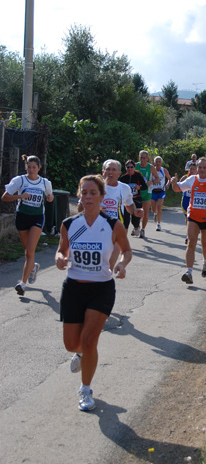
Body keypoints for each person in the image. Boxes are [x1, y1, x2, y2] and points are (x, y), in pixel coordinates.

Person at [56, 174, 132, 412]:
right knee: (72, 344)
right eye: (84, 192)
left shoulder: (112, 225)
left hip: (101, 288)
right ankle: (80, 353)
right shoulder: (69, 224)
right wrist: (60, 258)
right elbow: (61, 250)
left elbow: (127, 251)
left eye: (93, 193)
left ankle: (86, 390)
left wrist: (121, 264)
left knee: (90, 341)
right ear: (79, 195)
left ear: (101, 196)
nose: (88, 197)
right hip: (74, 288)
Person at [1, 154, 54, 296]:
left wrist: (49, 198)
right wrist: (20, 196)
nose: (31, 170)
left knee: (30, 251)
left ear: (39, 168)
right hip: (22, 218)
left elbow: (50, 197)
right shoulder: (20, 180)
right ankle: (33, 266)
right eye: (29, 167)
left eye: (34, 167)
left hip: (37, 217)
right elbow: (5, 197)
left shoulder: (44, 182)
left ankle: (22, 284)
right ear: (26, 167)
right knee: (27, 252)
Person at [79, 159, 143, 268]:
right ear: (103, 172)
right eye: (108, 169)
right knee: (93, 266)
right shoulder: (92, 187)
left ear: (119, 173)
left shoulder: (124, 188)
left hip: (116, 230)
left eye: (114, 170)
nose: (110, 172)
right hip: (94, 229)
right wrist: (95, 209)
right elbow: (80, 208)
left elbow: (129, 205)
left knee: (109, 266)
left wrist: (135, 212)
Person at [119, 160, 148, 237]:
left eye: (131, 167)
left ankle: (136, 227)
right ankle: (124, 237)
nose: (130, 169)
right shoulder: (123, 178)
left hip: (136, 199)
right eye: (128, 167)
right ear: (125, 168)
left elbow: (145, 186)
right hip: (126, 201)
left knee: (135, 219)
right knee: (126, 219)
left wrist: (139, 187)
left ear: (134, 167)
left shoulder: (138, 176)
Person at [135, 150, 159, 238]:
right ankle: (136, 226)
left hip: (147, 192)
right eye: (141, 157)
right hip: (136, 192)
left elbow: (157, 179)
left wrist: (151, 182)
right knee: (135, 211)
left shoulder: (151, 167)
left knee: (145, 212)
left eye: (144, 158)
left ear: (147, 159)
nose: (142, 159)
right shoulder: (135, 165)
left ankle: (143, 230)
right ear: (139, 157)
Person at [151, 156, 172, 231]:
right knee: (153, 209)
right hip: (153, 191)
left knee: (159, 206)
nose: (158, 163)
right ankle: (155, 213)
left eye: (159, 161)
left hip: (161, 191)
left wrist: (167, 185)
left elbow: (169, 179)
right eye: (156, 161)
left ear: (161, 163)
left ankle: (158, 224)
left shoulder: (164, 170)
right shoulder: (151, 170)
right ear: (154, 162)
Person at [179, 162, 197, 244]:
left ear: (196, 169)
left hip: (194, 200)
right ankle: (188, 234)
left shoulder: (198, 178)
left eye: (193, 169)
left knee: (193, 218)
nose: (192, 170)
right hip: (186, 199)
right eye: (191, 169)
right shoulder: (185, 177)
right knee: (187, 218)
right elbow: (179, 186)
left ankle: (190, 234)